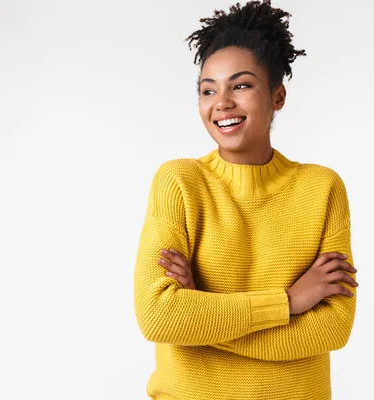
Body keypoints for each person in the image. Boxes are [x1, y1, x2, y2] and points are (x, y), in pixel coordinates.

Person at [133, 1, 359, 398]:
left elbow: (333, 328)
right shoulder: (179, 182)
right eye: (208, 89)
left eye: (241, 85)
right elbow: (158, 317)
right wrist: (288, 302)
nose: (221, 102)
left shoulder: (321, 188)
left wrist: (201, 314)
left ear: (277, 96)